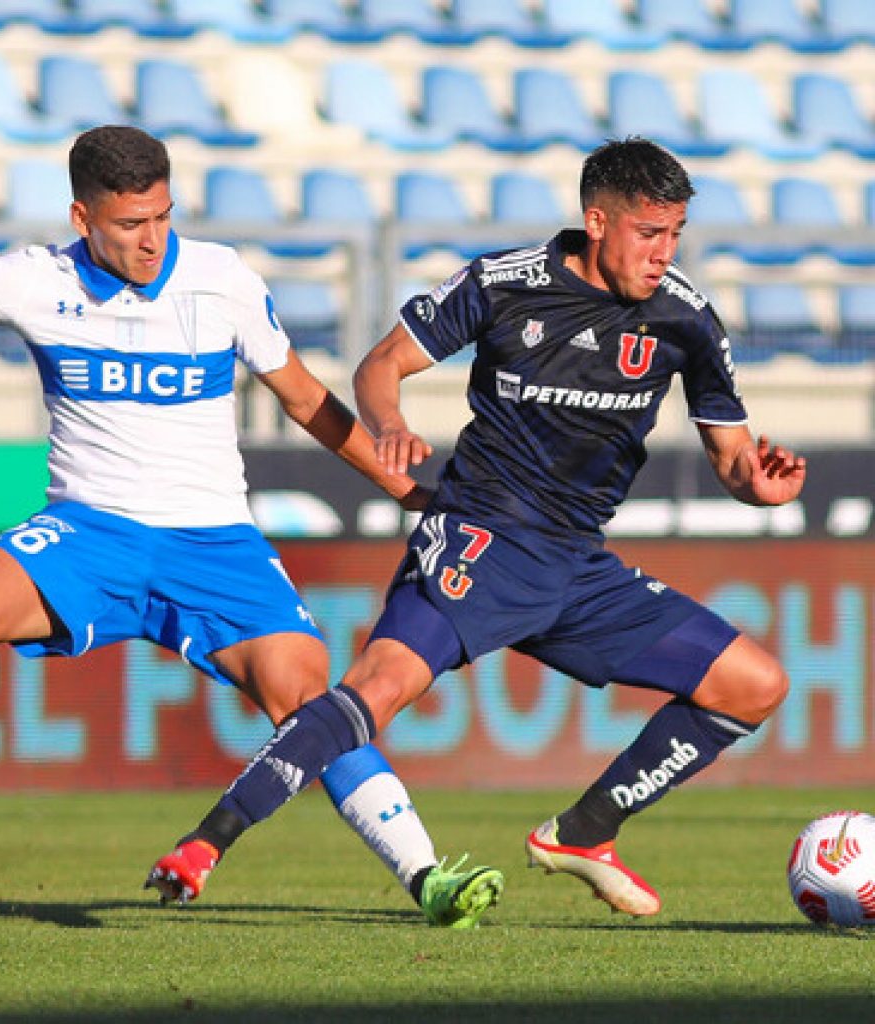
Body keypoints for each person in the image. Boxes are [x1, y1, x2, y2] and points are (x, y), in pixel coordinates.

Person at [0, 125, 503, 929]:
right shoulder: (30, 279)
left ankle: (429, 877)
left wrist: (404, 487)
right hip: (90, 534)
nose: (152, 239)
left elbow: (304, 399)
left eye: (162, 216)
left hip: (214, 544)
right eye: (130, 224)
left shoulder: (221, 278)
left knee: (308, 699)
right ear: (83, 216)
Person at [152, 136, 806, 918]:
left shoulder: (686, 318)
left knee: (755, 684)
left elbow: (732, 459)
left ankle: (586, 831)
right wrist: (388, 425)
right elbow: (380, 365)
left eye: (675, 234)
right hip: (482, 536)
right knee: (375, 691)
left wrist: (758, 487)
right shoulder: (504, 284)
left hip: (577, 566)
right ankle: (204, 844)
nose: (665, 252)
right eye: (649, 232)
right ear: (598, 222)